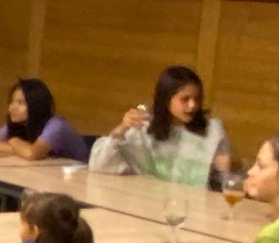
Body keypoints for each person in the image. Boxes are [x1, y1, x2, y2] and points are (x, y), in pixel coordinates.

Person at [90, 64, 234, 186]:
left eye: (197, 99)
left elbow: (223, 181)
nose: (192, 105)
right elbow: (99, 165)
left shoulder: (212, 130)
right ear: (166, 99)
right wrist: (122, 128)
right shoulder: (144, 127)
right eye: (185, 99)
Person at [0, 78, 88, 163]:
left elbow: (31, 154)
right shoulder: (19, 123)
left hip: (79, 177)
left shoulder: (56, 126)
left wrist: (12, 139)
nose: (12, 108)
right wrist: (18, 149)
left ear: (36, 105)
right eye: (12, 101)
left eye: (20, 103)